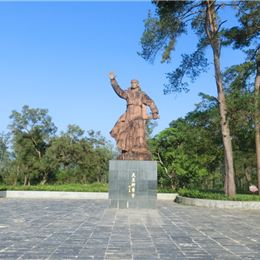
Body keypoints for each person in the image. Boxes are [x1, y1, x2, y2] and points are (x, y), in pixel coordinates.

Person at [109, 71, 159, 160]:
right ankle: (126, 149)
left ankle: (140, 146)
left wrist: (154, 112)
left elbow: (150, 102)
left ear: (138, 84)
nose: (133, 84)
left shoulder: (142, 94)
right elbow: (119, 91)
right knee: (126, 131)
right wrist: (113, 80)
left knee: (139, 126)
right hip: (129, 113)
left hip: (137, 113)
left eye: (134, 83)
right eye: (132, 83)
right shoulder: (127, 93)